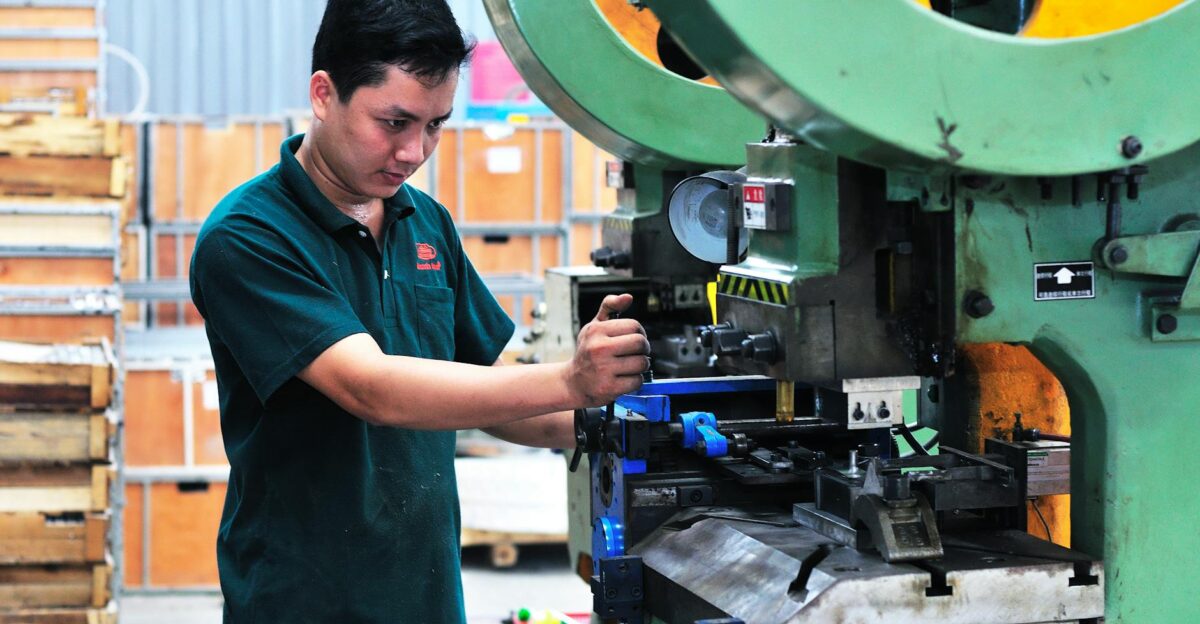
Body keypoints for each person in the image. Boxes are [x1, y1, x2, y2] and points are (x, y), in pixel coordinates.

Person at [188, 0, 649, 621]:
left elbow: (493, 394)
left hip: (427, 594)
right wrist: (568, 378)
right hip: (305, 597)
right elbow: (371, 389)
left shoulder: (425, 223)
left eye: (435, 125)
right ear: (324, 94)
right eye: (394, 122)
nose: (414, 152)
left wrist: (622, 426)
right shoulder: (249, 237)